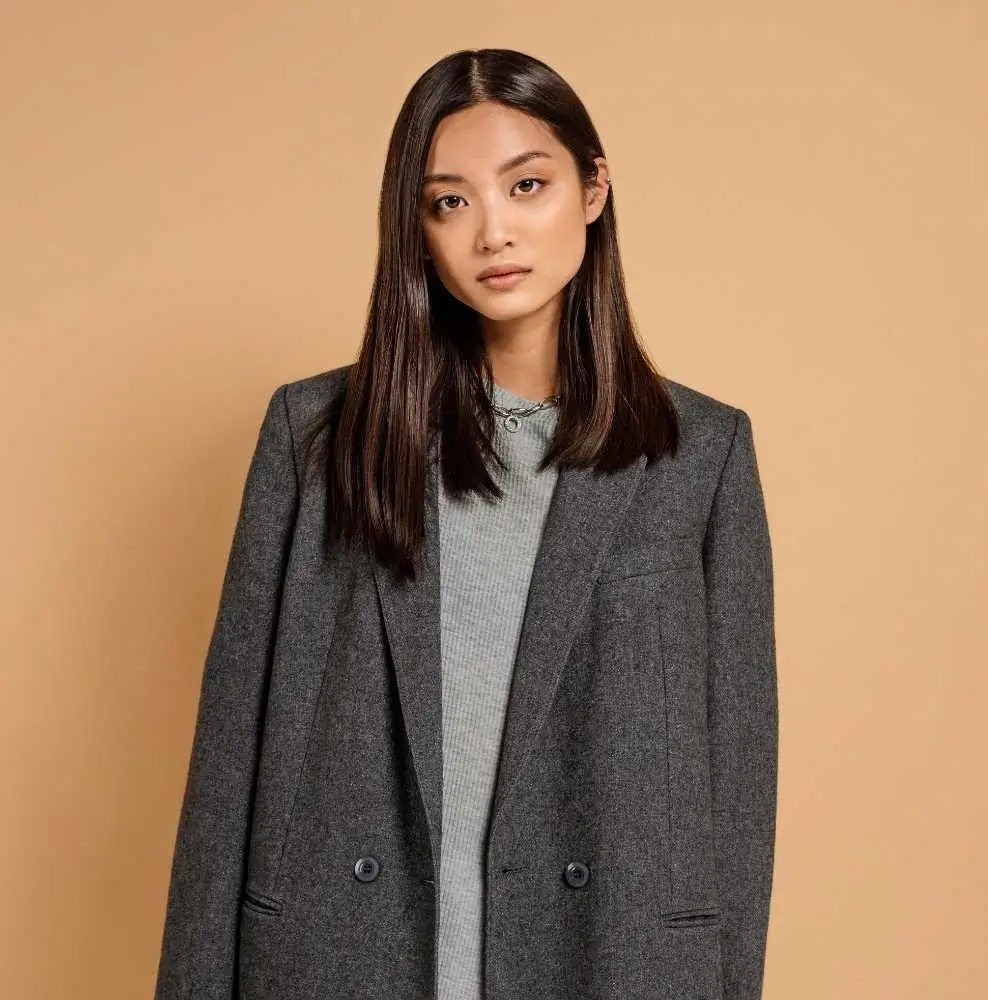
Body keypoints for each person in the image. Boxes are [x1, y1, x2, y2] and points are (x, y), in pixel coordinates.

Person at [153, 47, 778, 1000]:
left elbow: (736, 789)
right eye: (450, 201)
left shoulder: (701, 455)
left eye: (527, 185)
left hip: (611, 960)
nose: (494, 232)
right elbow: (228, 764)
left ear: (595, 188)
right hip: (343, 958)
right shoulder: (315, 438)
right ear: (417, 228)